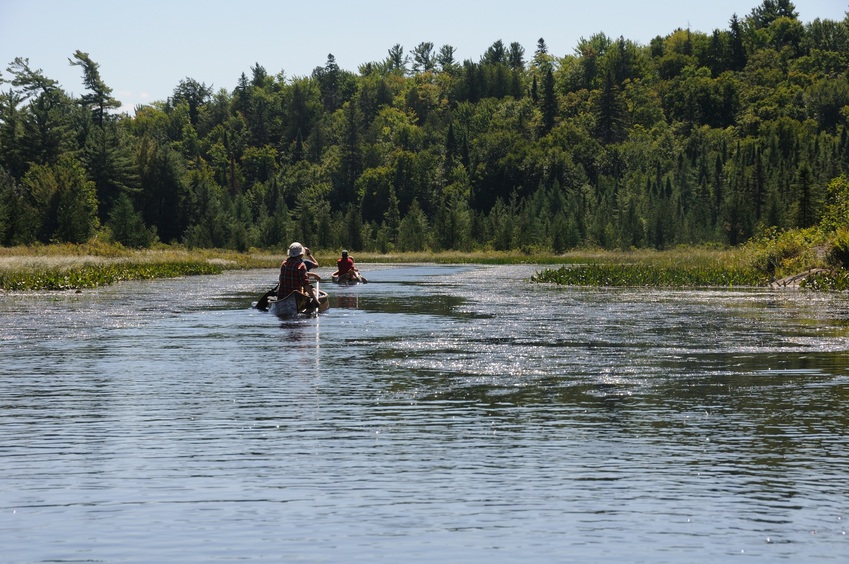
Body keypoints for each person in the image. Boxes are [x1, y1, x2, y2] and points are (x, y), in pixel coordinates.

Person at [278, 242, 321, 308]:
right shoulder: (301, 265)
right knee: (315, 293)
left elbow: (282, 279)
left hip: (283, 297)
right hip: (296, 298)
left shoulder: (284, 264)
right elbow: (306, 284)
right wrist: (315, 300)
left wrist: (313, 274)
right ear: (301, 254)